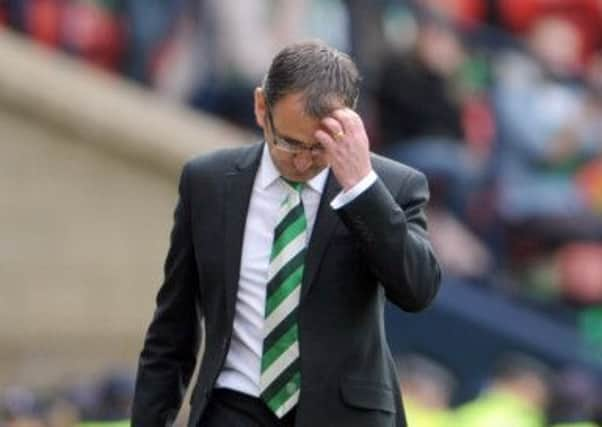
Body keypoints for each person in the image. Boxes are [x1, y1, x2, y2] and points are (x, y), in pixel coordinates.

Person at [131, 40, 441, 427]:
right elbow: (171, 329)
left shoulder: (392, 186)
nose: (302, 160)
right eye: (289, 142)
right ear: (261, 107)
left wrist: (361, 188)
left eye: (319, 147)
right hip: (233, 407)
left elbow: (418, 290)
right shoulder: (208, 181)